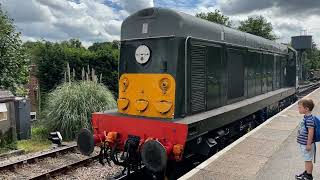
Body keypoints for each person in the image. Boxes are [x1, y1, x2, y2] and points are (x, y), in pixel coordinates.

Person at [296, 98, 316, 180]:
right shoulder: (306, 117)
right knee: (306, 159)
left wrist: (308, 144)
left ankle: (309, 176)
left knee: (308, 160)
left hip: (306, 144)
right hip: (303, 143)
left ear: (306, 109)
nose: (298, 109)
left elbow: (311, 132)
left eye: (300, 107)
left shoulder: (309, 119)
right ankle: (306, 172)